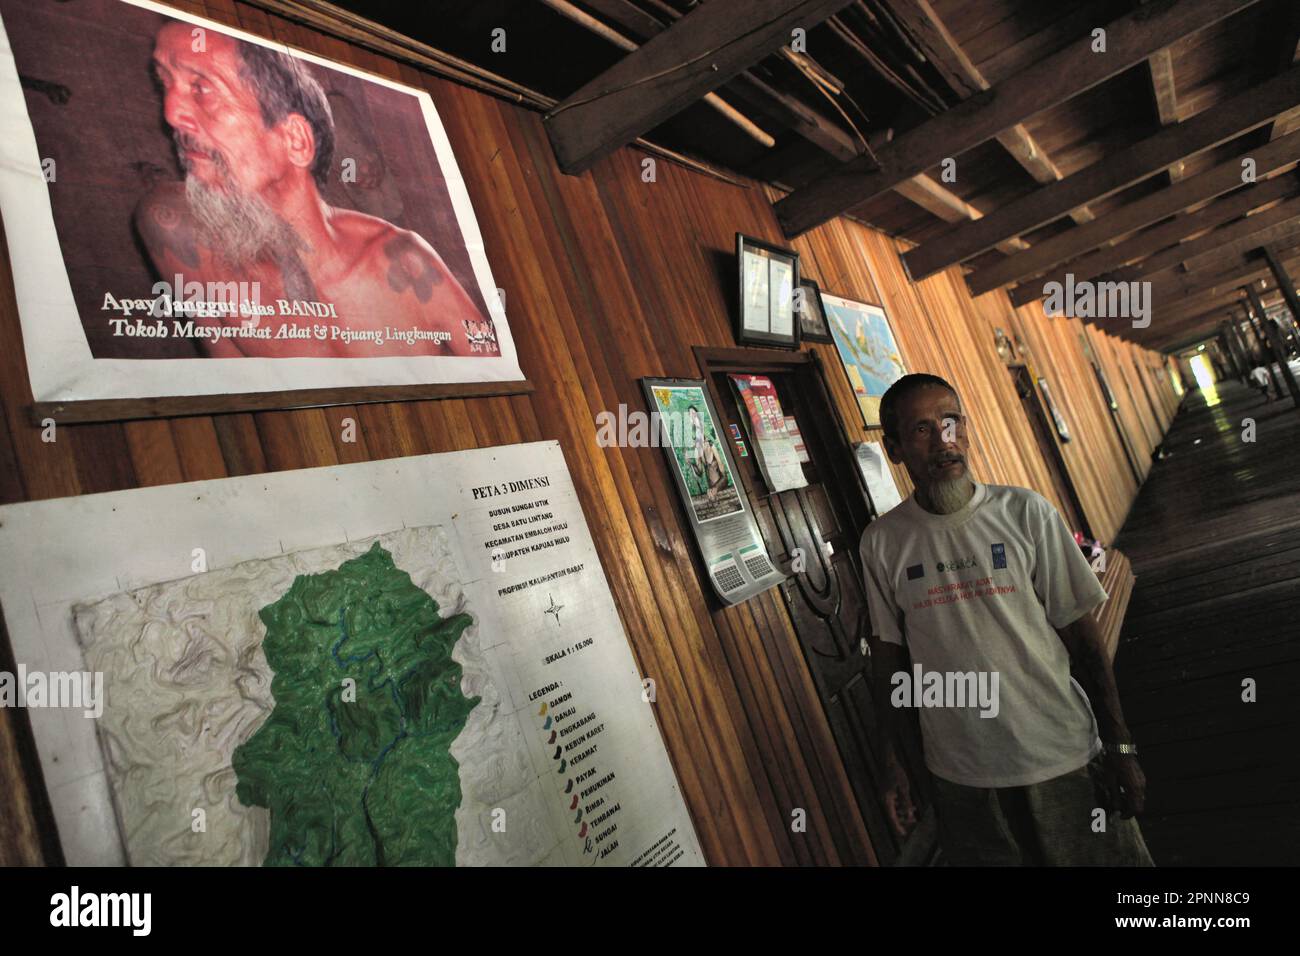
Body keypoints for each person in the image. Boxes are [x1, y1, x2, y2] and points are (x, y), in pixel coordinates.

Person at [858, 373, 1153, 866]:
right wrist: (897, 766)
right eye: (923, 429)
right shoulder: (883, 543)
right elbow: (890, 667)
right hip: (963, 779)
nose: (944, 441)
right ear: (893, 449)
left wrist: (1120, 744)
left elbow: (1085, 642)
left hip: (1061, 756)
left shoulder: (1026, 514)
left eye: (951, 421)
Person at [135, 22, 494, 358]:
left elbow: (499, 373)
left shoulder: (404, 263)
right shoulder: (191, 255)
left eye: (202, 88)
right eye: (165, 81)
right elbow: (238, 388)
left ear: (295, 139)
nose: (170, 112)